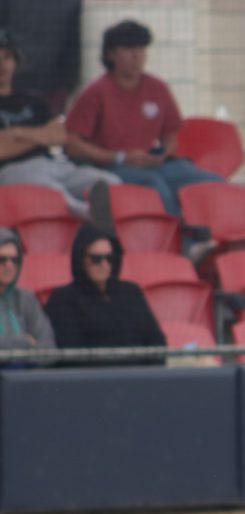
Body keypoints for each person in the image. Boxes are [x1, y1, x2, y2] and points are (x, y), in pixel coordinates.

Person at [64, 19, 222, 217]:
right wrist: (119, 156)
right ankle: (174, 241)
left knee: (213, 181)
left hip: (152, 163)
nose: (137, 56)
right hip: (109, 167)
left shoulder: (158, 88)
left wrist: (161, 154)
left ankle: (213, 238)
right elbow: (72, 144)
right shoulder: (95, 92)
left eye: (141, 48)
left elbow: (170, 137)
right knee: (155, 185)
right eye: (129, 49)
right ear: (110, 54)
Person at [0, 28, 118, 220]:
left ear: (15, 61)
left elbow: (60, 135)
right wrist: (40, 136)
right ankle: (90, 219)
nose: (1, 65)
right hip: (11, 172)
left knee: (108, 181)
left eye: (6, 57)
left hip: (52, 164)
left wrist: (14, 133)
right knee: (49, 189)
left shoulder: (34, 100)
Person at [44, 222, 165, 367]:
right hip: (93, 383)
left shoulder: (131, 292)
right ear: (81, 260)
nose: (104, 264)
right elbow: (72, 356)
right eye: (96, 259)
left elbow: (156, 340)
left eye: (110, 258)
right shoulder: (63, 299)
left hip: (139, 380)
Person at [0, 227, 55, 361]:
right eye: (2, 259)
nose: (9, 265)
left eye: (15, 260)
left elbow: (49, 350)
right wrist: (25, 342)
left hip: (27, 378)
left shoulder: (27, 299)